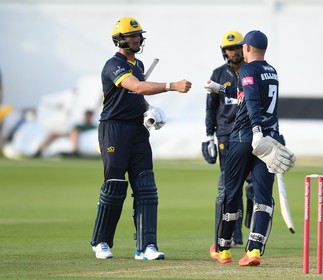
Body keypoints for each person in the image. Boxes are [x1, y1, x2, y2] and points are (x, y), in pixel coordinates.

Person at [90, 17, 192, 260]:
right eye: (131, 36)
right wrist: (172, 85)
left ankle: (146, 246)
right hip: (114, 129)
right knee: (115, 185)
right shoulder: (113, 65)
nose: (136, 39)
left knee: (146, 187)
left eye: (138, 35)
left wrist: (149, 109)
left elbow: (137, 95)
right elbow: (136, 87)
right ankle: (101, 241)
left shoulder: (139, 63)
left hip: (137, 130)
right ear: (119, 40)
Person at [204, 30, 295, 266]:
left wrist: (255, 130)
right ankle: (254, 251)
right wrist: (220, 88)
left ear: (247, 49)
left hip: (245, 137)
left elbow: (252, 99)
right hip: (270, 139)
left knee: (231, 192)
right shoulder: (271, 71)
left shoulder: (246, 69)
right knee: (263, 196)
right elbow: (245, 94)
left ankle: (223, 249)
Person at [202, 30, 253, 248]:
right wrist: (208, 136)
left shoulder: (251, 71)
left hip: (250, 132)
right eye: (229, 48)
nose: (234, 52)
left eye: (237, 47)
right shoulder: (218, 73)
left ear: (244, 47)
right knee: (230, 184)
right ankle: (232, 236)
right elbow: (211, 108)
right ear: (224, 51)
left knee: (252, 183)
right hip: (225, 134)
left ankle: (251, 222)